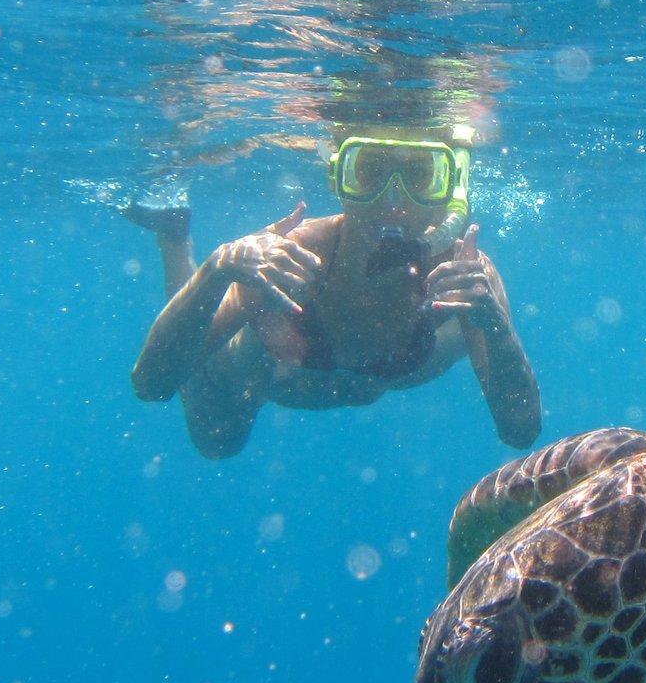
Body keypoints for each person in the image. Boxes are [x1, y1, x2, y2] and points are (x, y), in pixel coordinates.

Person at [127, 125, 542, 459]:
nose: (393, 200)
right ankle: (174, 238)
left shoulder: (465, 275)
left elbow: (520, 431)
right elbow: (153, 383)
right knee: (218, 443)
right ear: (338, 178)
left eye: (418, 175)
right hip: (253, 378)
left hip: (344, 380)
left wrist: (494, 323)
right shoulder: (294, 255)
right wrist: (217, 269)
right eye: (371, 172)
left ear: (448, 186)